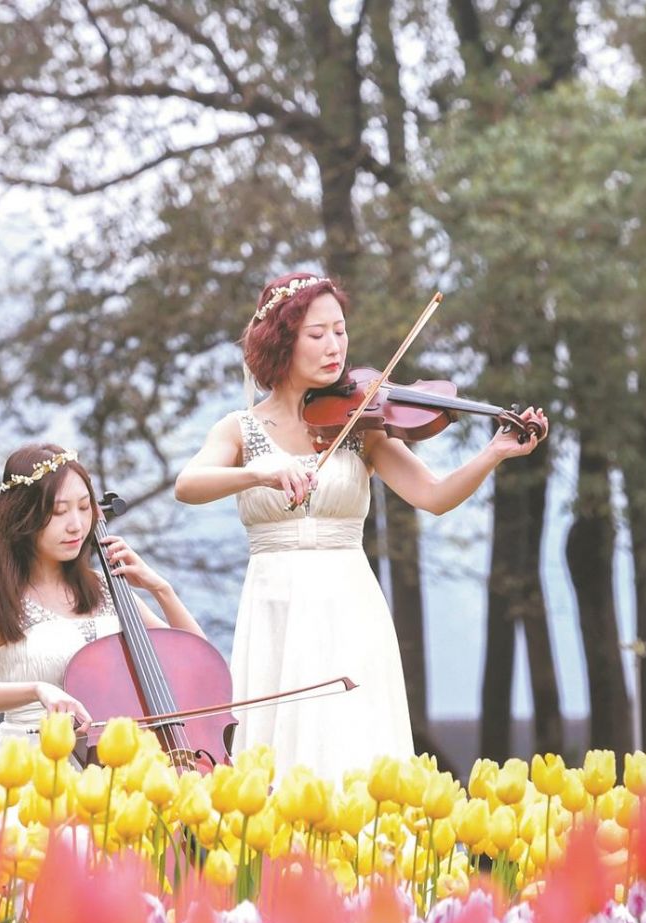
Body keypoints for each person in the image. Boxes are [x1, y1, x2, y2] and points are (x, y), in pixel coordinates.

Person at [174, 273, 549, 779]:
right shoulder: (240, 429)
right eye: (317, 334)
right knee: (276, 749)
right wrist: (260, 471)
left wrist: (495, 452)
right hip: (274, 605)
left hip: (348, 602)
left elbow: (433, 496)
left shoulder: (361, 428)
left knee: (352, 743)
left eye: (340, 331)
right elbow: (189, 483)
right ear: (282, 341)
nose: (335, 347)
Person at [0, 443, 205, 769]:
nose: (77, 525)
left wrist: (161, 589)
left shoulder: (106, 590)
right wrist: (37, 690)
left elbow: (199, 667)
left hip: (115, 766)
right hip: (28, 766)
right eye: (58, 511)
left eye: (84, 508)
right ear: (22, 516)